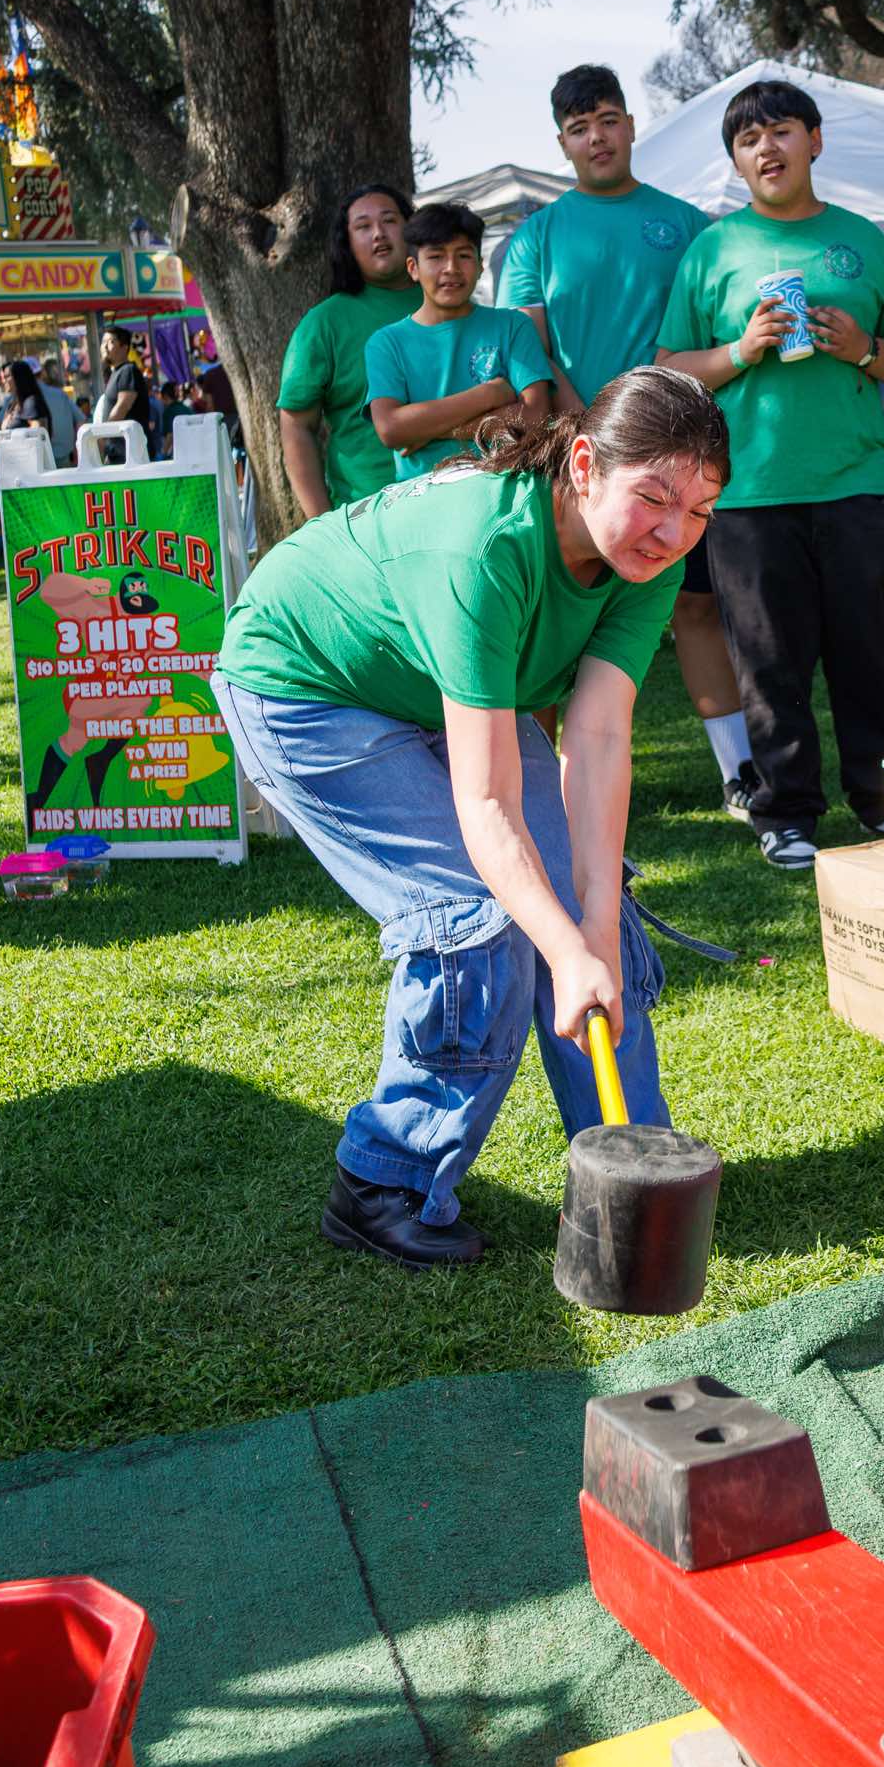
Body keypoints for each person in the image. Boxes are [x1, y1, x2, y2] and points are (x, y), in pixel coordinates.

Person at [212, 365, 727, 1266]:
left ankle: (636, 1175)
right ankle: (385, 1183)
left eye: (700, 510)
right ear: (583, 466)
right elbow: (487, 804)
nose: (673, 530)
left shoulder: (649, 556)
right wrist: (561, 945)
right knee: (475, 919)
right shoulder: (482, 549)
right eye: (653, 498)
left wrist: (591, 931)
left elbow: (598, 737)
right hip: (305, 684)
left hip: (427, 684)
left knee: (587, 920)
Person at [657, 78, 884, 869]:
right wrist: (741, 350)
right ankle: (784, 813)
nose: (766, 149)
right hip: (749, 494)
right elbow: (670, 366)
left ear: (814, 141)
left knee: (864, 660)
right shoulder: (712, 250)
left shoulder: (860, 239)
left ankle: (880, 803)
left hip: (855, 485)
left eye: (780, 131)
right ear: (736, 163)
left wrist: (863, 350)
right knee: (769, 668)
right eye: (748, 140)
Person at [497, 63, 756, 819]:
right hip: (576, 460)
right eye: (578, 128)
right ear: (562, 143)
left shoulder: (687, 225)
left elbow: (712, 332)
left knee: (694, 609)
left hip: (680, 461)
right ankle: (542, 794)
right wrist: (593, 425)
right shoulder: (535, 238)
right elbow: (528, 350)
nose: (596, 138)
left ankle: (739, 773)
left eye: (607, 120)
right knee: (551, 627)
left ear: (631, 126)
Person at [366, 202, 553, 478]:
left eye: (463, 255)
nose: (451, 268)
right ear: (413, 268)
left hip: (504, 488)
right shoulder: (386, 343)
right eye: (436, 256)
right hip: (423, 495)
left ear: (480, 265)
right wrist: (489, 395)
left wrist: (435, 430)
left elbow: (535, 418)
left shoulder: (513, 325)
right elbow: (391, 429)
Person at [278, 183, 419, 515]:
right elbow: (296, 427)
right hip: (367, 514)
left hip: (456, 502)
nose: (378, 233)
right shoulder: (324, 323)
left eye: (389, 220)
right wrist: (322, 524)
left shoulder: (448, 303)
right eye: (363, 226)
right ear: (347, 243)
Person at [95, 327, 152, 432]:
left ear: (124, 347)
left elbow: (122, 407)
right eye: (103, 342)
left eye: (111, 342)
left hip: (130, 442)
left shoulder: (128, 370)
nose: (105, 346)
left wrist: (104, 434)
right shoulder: (116, 373)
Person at [38, 355, 81, 464]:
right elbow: (80, 418)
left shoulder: (61, 394)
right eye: (53, 371)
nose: (56, 374)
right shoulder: (59, 394)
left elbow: (79, 418)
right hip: (61, 453)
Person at [0, 359, 51, 439]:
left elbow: (38, 437)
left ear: (19, 377)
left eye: (7, 376)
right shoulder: (12, 404)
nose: (4, 381)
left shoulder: (30, 403)